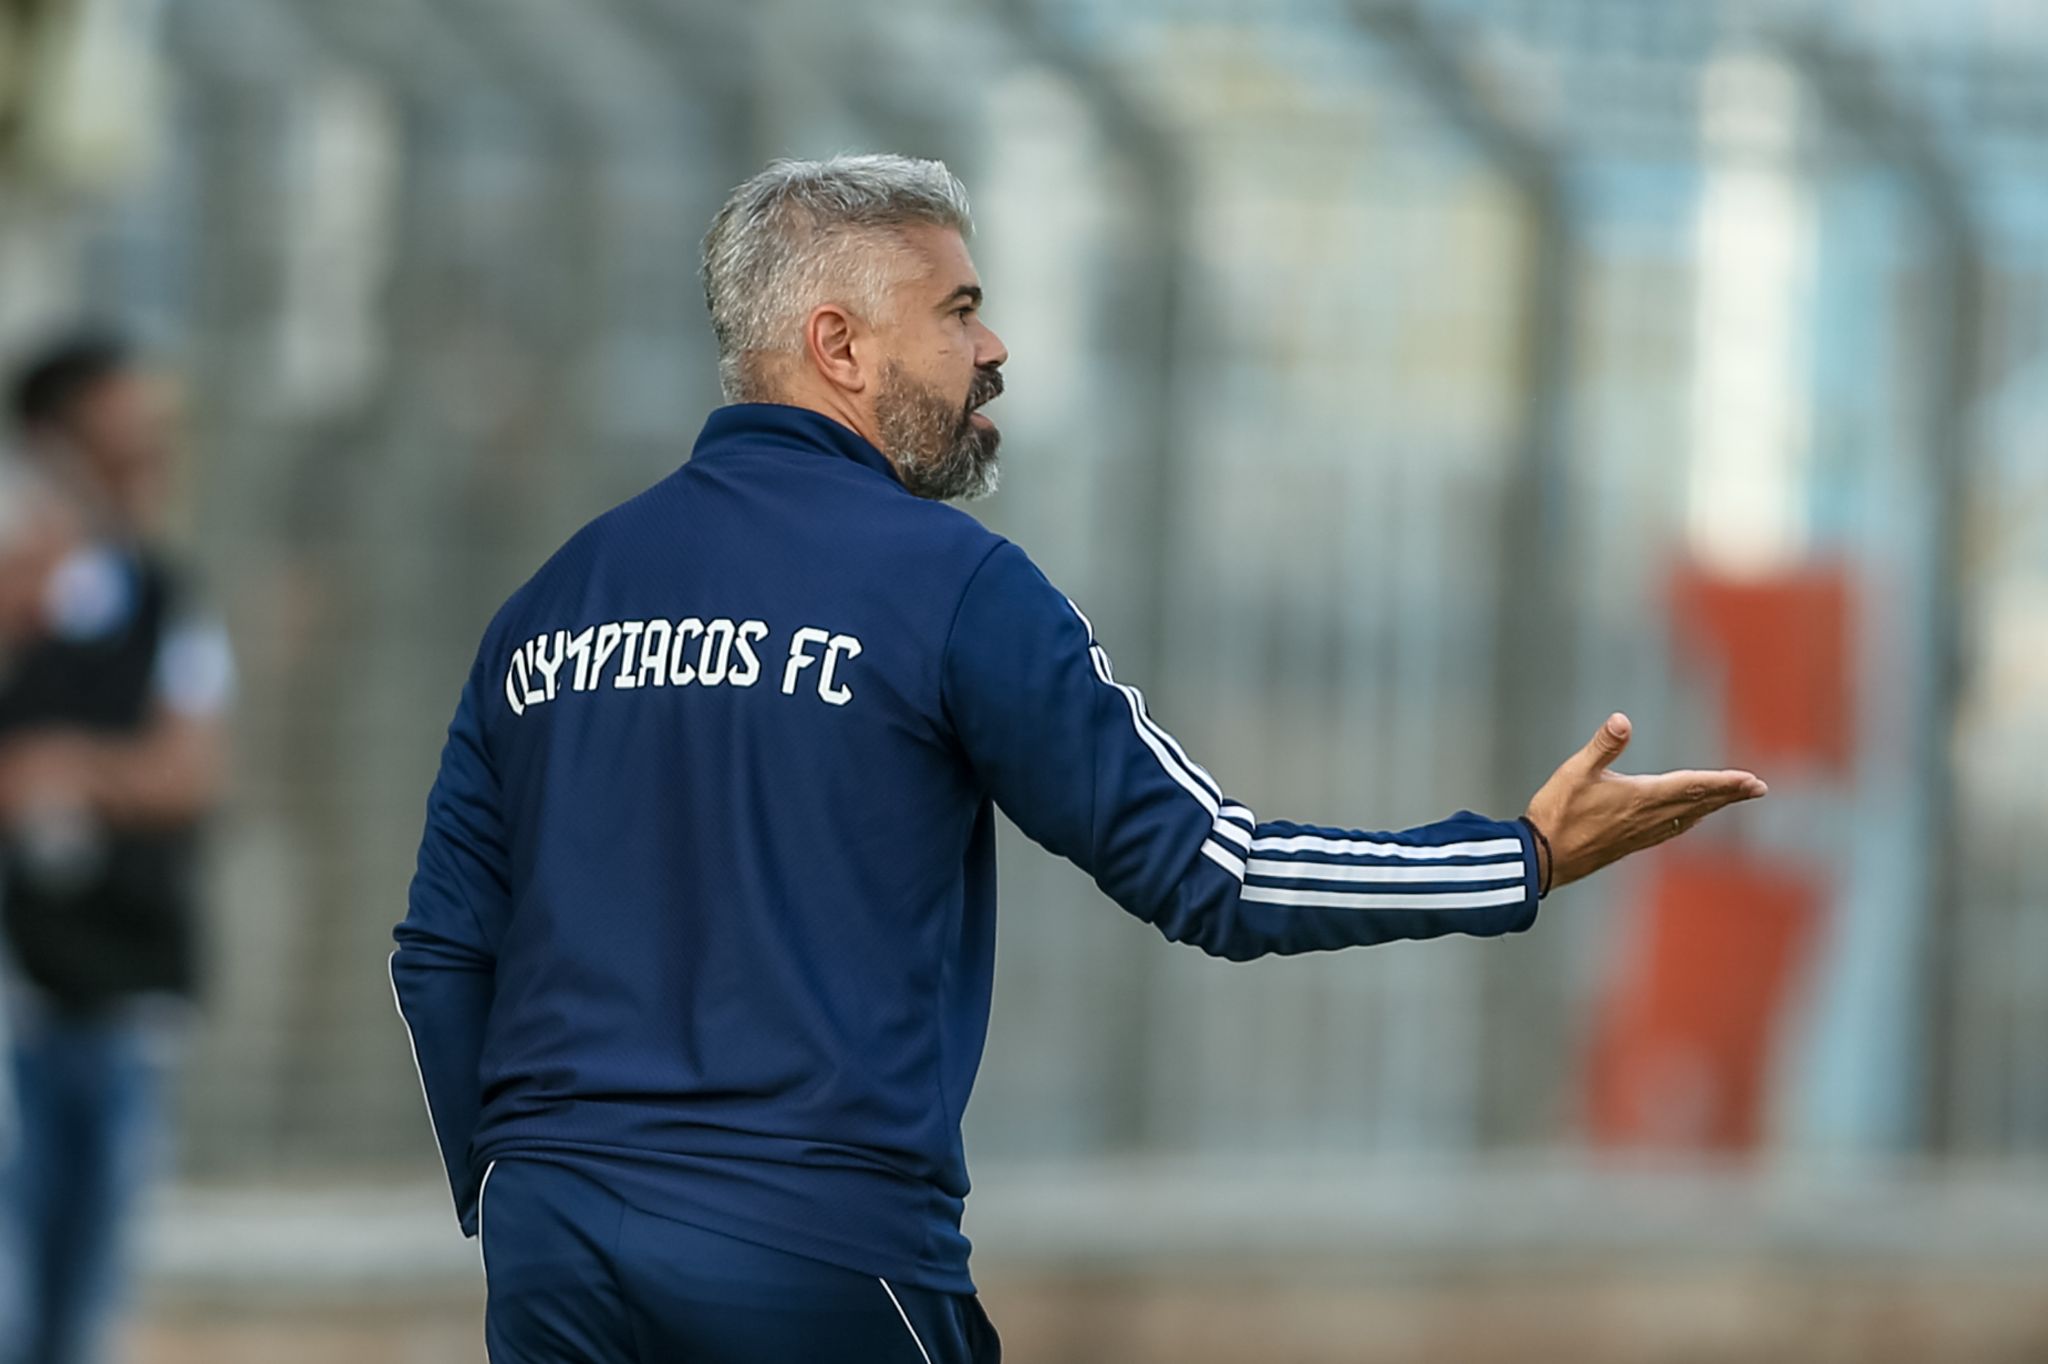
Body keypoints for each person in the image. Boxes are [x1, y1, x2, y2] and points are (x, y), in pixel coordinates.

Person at [391, 155, 1766, 1364]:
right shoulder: (949, 586)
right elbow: (1215, 871)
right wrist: (1517, 859)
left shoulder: (553, 604)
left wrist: (510, 1191)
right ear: (839, 346)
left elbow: (440, 953)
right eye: (957, 310)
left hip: (556, 1241)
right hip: (813, 1243)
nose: (992, 347)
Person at [0, 334, 233, 1364]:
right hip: (20, 991)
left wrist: (70, 765)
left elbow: (191, 771)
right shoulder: (22, 589)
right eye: (120, 432)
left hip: (126, 976)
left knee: (85, 1285)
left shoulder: (165, 599)